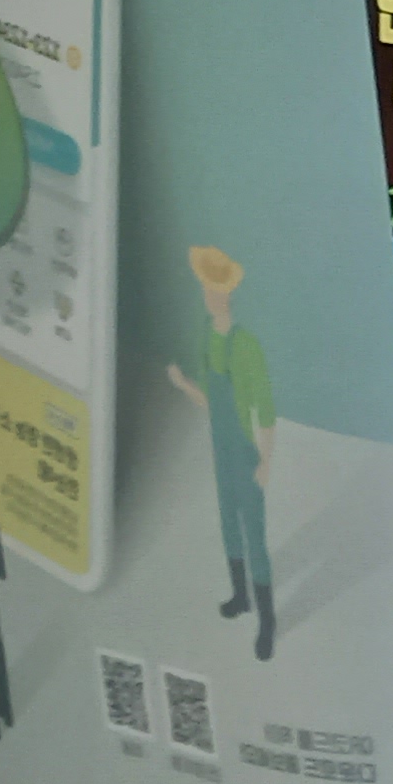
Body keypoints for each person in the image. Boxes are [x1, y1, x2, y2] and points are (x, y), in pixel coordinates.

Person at [164, 246, 282, 662]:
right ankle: (240, 596)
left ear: (227, 292)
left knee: (254, 535)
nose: (210, 296)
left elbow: (265, 408)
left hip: (245, 451)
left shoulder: (245, 345)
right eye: (206, 288)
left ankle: (267, 622)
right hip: (220, 449)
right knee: (229, 525)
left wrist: (266, 460)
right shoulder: (206, 334)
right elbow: (211, 402)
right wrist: (183, 384)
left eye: (215, 289)